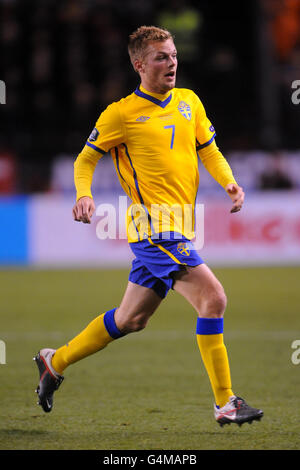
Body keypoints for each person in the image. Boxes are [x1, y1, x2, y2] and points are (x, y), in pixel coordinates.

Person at [34, 26, 263, 427]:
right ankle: (226, 402)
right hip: (153, 226)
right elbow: (85, 159)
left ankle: (55, 361)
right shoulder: (121, 113)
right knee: (214, 298)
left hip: (179, 225)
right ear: (140, 65)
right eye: (161, 57)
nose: (171, 62)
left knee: (130, 320)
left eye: (173, 55)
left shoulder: (189, 102)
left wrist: (228, 181)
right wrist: (83, 194)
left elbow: (208, 150)